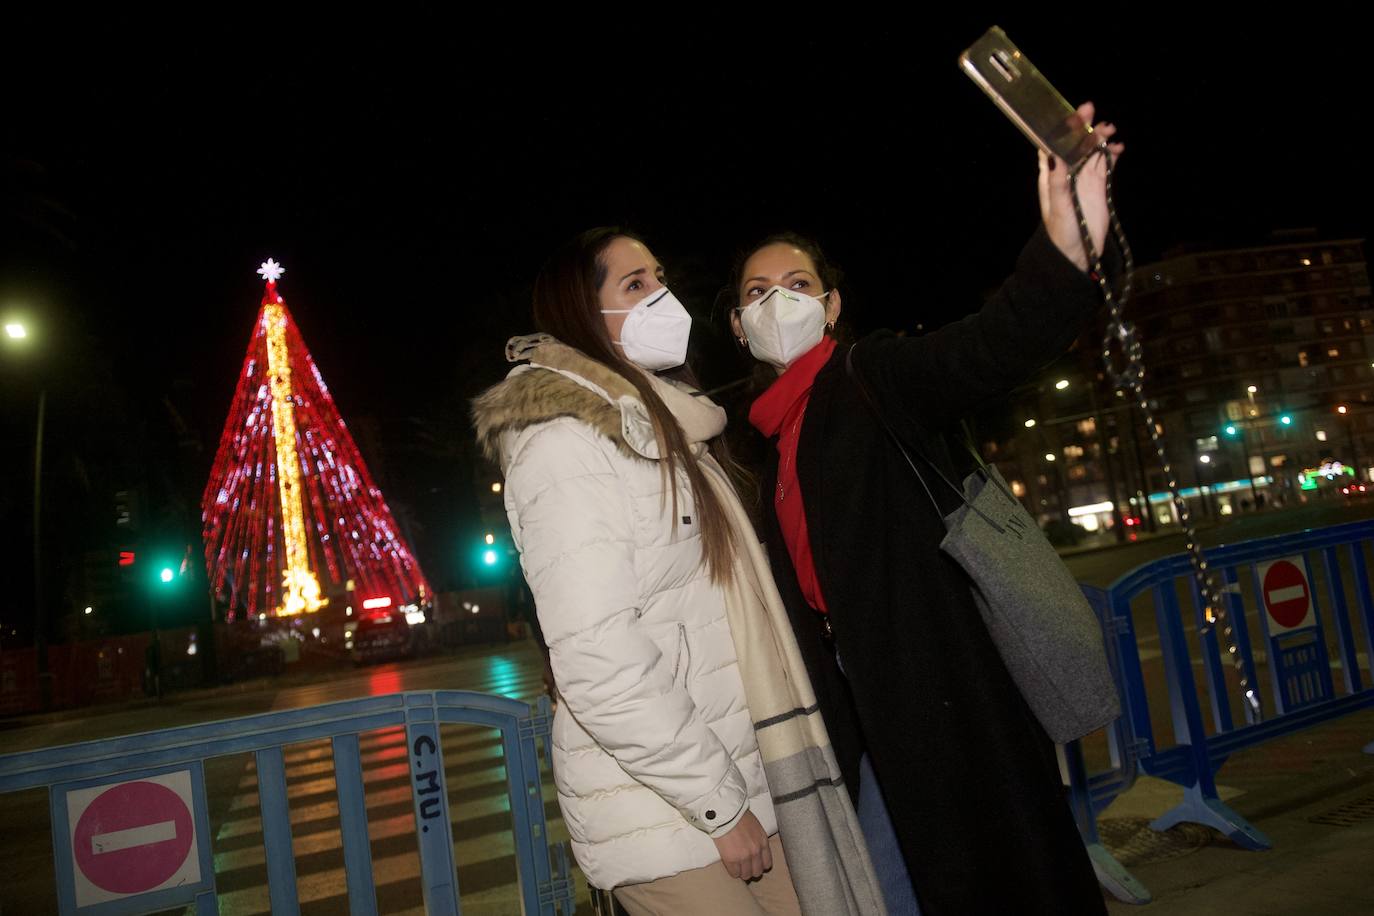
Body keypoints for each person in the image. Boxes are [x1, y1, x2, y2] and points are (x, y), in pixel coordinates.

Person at [727, 104, 1124, 915]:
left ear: (832, 307)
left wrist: (1065, 245)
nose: (777, 302)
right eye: (757, 293)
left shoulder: (874, 381)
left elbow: (989, 347)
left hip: (940, 686)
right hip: (845, 709)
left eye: (797, 285)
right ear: (737, 326)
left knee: (989, 874)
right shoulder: (750, 441)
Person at [471, 229, 882, 915]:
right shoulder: (565, 445)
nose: (661, 295)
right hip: (667, 817)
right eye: (634, 285)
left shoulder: (670, 430)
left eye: (658, 276)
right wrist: (720, 807)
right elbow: (599, 658)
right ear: (582, 312)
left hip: (741, 785)